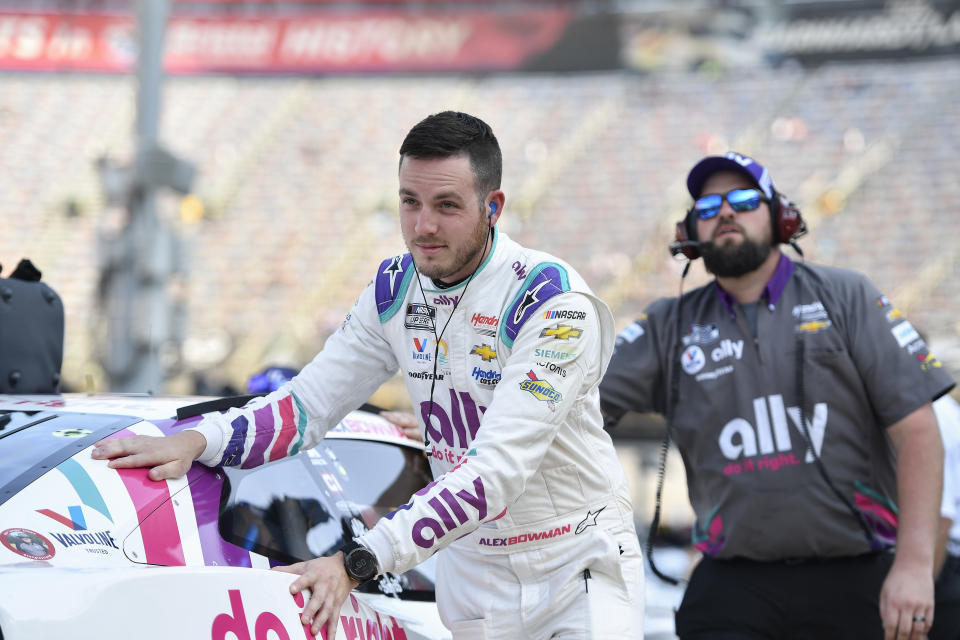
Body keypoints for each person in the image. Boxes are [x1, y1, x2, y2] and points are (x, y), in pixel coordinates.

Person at [93, 111, 644, 640]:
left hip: (575, 563)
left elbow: (496, 473)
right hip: (475, 570)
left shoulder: (551, 299)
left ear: (493, 206)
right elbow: (305, 408)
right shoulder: (395, 289)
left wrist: (356, 563)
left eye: (447, 205)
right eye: (410, 202)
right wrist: (197, 440)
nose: (423, 226)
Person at [598, 151, 954, 640]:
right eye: (707, 207)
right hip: (735, 580)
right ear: (689, 234)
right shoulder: (667, 324)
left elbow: (918, 433)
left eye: (743, 200)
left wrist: (914, 566)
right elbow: (574, 406)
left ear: (780, 215)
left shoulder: (847, 295)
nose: (725, 212)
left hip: (857, 570)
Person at [931, 392, 960, 640]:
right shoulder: (943, 407)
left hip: (946, 566)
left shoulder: (932, 414)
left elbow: (941, 518)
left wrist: (922, 593)